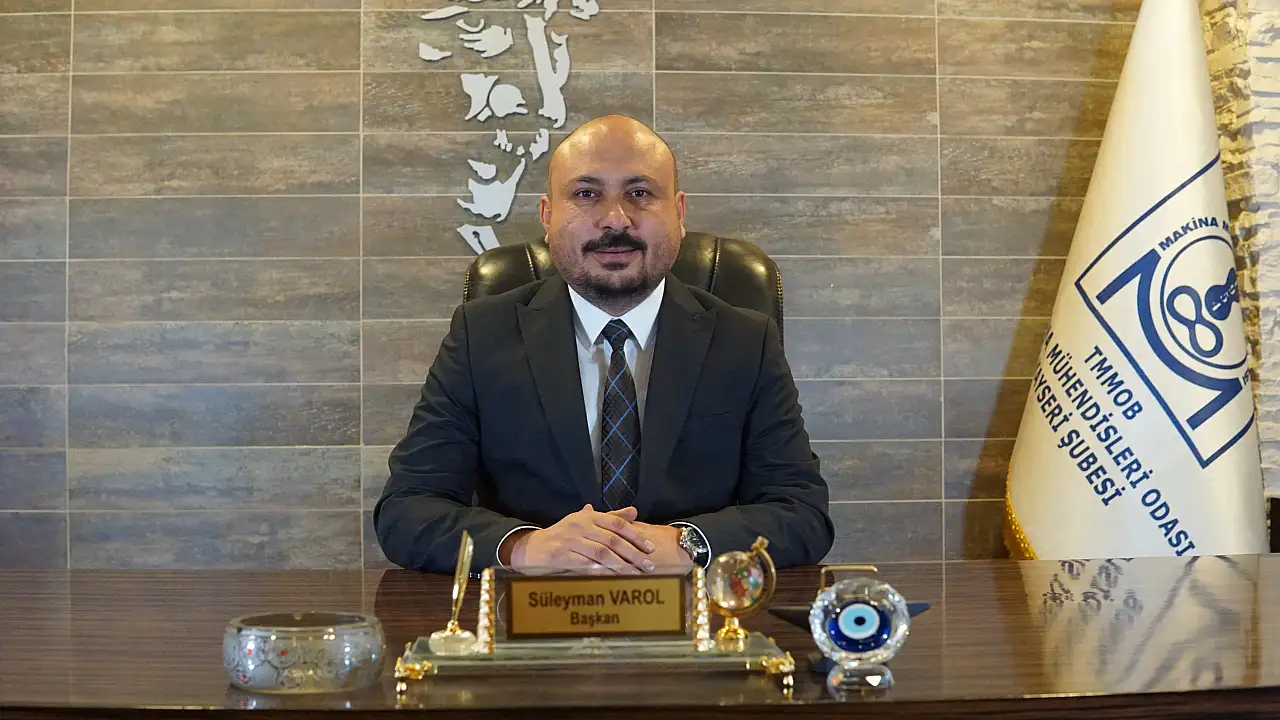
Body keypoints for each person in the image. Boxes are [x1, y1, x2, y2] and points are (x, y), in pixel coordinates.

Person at [374, 115, 834, 574]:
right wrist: (526, 547)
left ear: (678, 213)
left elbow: (801, 512)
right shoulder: (481, 336)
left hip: (692, 609)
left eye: (640, 193)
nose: (615, 219)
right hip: (534, 608)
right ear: (548, 217)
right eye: (586, 194)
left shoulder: (746, 342)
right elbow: (408, 509)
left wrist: (688, 545)